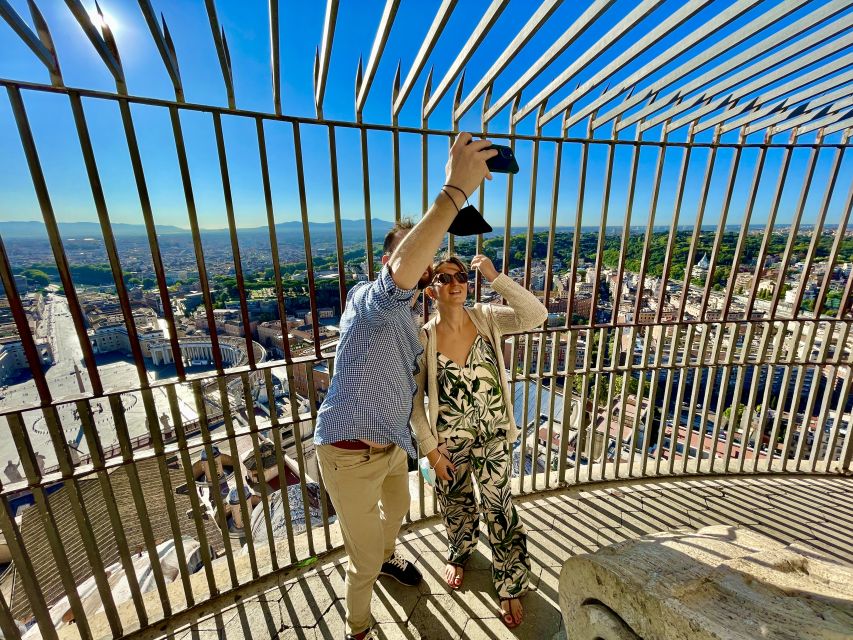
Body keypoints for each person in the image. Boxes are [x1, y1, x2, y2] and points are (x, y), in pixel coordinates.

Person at [314, 134, 498, 640]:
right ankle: (358, 626)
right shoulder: (370, 304)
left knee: (395, 513)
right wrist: (454, 193)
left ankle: (387, 555)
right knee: (364, 558)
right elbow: (399, 276)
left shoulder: (418, 321)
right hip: (348, 454)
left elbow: (416, 394)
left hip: (392, 447)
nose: (427, 266)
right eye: (419, 252)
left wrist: (428, 448)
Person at [412, 253, 547, 629]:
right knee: (455, 505)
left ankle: (511, 579)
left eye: (460, 276)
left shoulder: (487, 317)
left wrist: (495, 277)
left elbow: (536, 316)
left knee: (501, 509)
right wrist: (430, 449)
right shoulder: (423, 338)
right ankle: (460, 550)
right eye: (444, 277)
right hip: (448, 444)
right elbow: (413, 401)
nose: (455, 282)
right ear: (430, 289)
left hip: (493, 436)